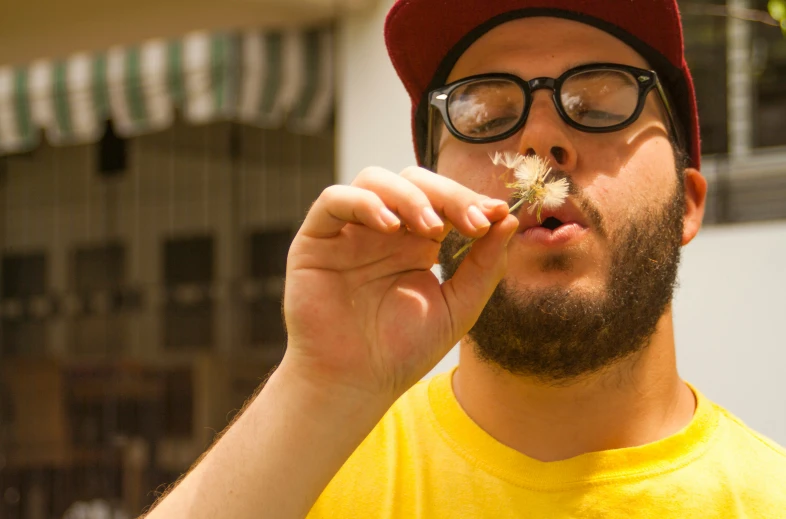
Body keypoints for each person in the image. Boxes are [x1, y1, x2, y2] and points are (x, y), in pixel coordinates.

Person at [144, 0, 786, 517]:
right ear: (432, 193)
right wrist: (319, 387)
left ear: (689, 204)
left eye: (598, 103)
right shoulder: (301, 477)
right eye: (487, 112)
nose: (540, 140)